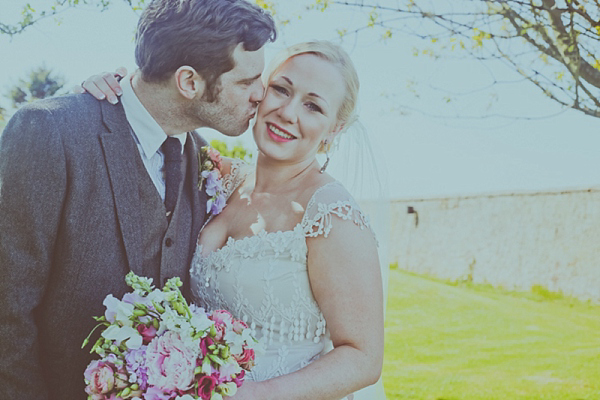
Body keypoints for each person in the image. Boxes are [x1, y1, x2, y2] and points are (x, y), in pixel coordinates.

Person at [0, 0, 276, 398]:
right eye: (246, 81)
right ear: (188, 82)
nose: (260, 95)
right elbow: (7, 309)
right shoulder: (49, 131)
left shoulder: (203, 160)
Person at [85, 40, 385, 399]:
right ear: (258, 91)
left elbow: (363, 358)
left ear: (334, 129)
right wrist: (118, 95)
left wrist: (248, 395)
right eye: (280, 89)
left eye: (312, 106)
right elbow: (153, 125)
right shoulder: (217, 177)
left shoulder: (331, 214)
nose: (288, 112)